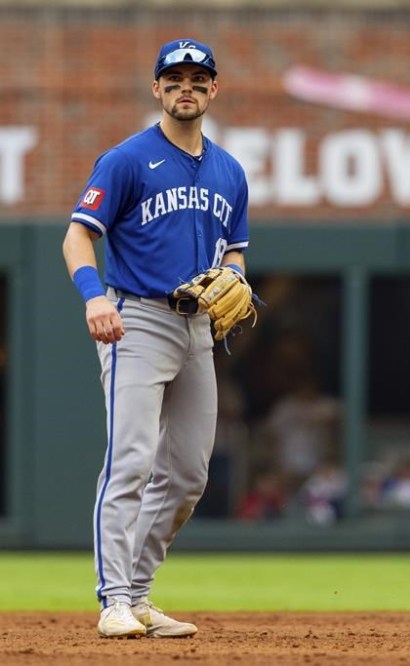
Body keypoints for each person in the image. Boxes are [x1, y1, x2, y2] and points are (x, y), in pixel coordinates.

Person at [62, 38, 250, 638]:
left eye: (197, 79)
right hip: (135, 318)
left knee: (190, 473)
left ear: (213, 89)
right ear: (158, 90)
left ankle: (139, 595)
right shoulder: (126, 159)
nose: (185, 88)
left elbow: (237, 253)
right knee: (131, 462)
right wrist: (93, 295)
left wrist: (235, 279)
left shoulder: (229, 171)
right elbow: (76, 236)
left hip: (197, 327)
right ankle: (113, 598)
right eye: (175, 80)